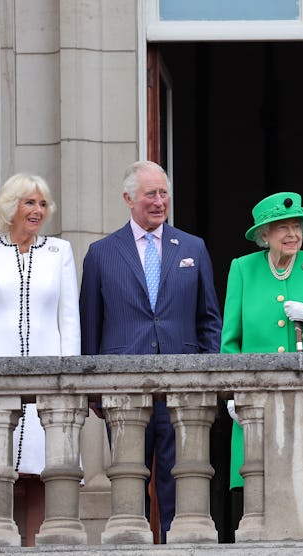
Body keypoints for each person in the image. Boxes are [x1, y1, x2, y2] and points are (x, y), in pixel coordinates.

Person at [79, 160, 222, 542]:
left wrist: (211, 377)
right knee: (129, 479)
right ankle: (134, 546)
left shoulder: (193, 247)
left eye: (164, 193)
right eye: (150, 194)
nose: (159, 202)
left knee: (182, 479)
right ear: (129, 199)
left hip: (184, 387)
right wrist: (93, 390)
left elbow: (209, 319)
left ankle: (180, 546)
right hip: (124, 388)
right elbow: (90, 326)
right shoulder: (101, 253)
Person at [0, 173, 80, 546]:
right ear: (11, 208)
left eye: (42, 204)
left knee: (43, 471)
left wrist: (69, 382)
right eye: (30, 203)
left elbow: (68, 321)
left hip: (46, 381)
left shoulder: (60, 253)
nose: (38, 210)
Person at [221, 191, 303, 525]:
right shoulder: (243, 269)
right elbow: (230, 340)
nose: (292, 234)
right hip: (256, 400)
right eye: (282, 228)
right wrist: (232, 393)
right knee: (253, 488)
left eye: (297, 226)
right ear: (265, 235)